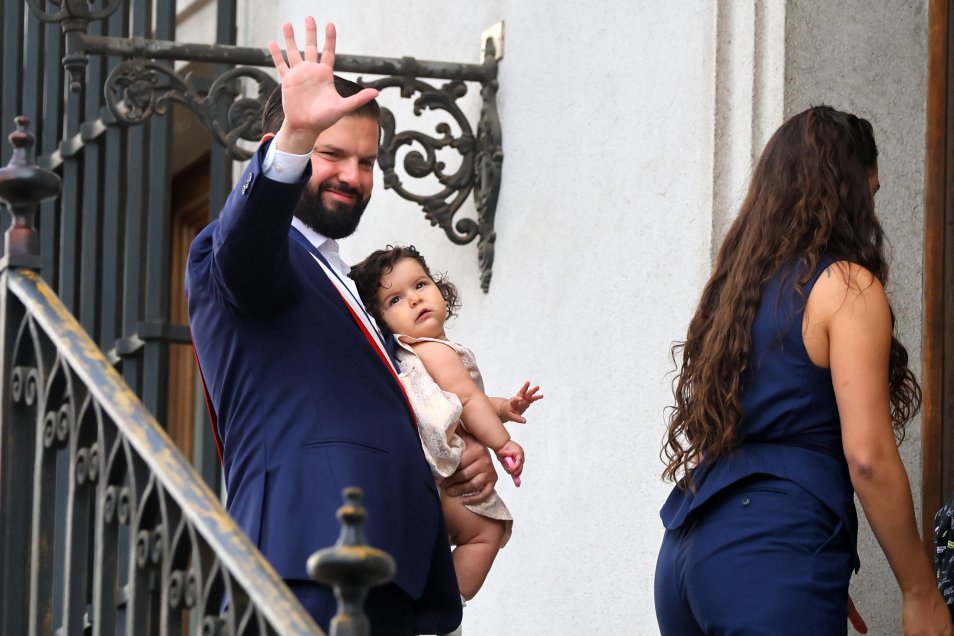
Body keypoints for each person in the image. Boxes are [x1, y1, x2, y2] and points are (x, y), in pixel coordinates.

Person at [186, 18, 498, 635]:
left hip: (387, 568)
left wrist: (459, 454)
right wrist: (295, 139)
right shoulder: (241, 250)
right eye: (330, 154)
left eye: (366, 162)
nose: (353, 177)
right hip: (305, 553)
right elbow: (246, 254)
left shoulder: (346, 279)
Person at [653, 105, 953, 635]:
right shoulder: (847, 286)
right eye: (870, 194)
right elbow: (868, 458)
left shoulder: (739, 294)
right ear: (847, 192)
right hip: (766, 548)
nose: (872, 214)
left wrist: (802, 565)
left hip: (686, 554)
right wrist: (919, 591)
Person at [351, 245, 542, 605]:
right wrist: (502, 443)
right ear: (381, 320)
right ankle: (446, 604)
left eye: (420, 285)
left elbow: (467, 401)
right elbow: (467, 401)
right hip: (444, 474)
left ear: (439, 289)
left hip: (421, 478)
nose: (414, 299)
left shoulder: (411, 356)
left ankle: (423, 598)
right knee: (487, 531)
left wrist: (504, 406)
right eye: (394, 300)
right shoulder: (435, 350)